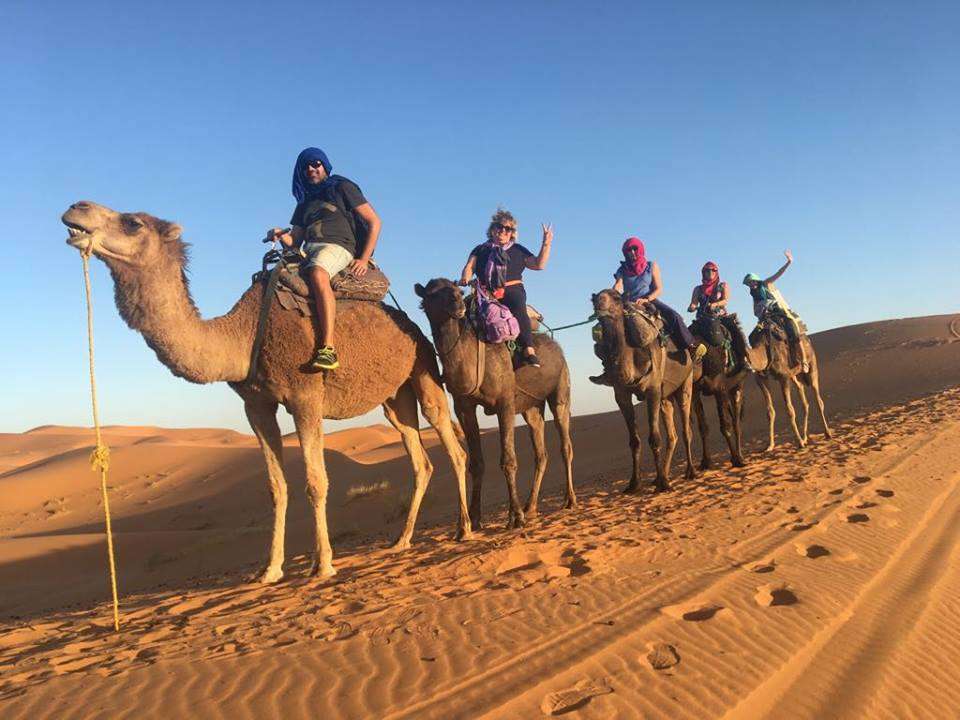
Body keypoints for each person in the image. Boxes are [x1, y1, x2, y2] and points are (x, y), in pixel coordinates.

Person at [268, 147, 381, 371]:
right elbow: (296, 240)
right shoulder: (304, 202)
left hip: (337, 246)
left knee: (318, 273)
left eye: (316, 164)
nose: (311, 169)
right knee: (271, 279)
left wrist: (363, 258)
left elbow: (374, 222)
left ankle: (328, 349)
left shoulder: (342, 187)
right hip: (308, 249)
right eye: (306, 167)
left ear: (325, 165)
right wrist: (280, 234)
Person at [590, 238, 705, 385]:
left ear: (640, 249)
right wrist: (611, 298)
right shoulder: (622, 270)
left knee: (673, 316)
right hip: (627, 303)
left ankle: (690, 347)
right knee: (607, 328)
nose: (632, 253)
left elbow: (659, 288)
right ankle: (608, 368)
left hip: (649, 300)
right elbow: (618, 285)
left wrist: (647, 299)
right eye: (628, 251)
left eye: (634, 249)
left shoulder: (651, 266)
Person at [458, 208, 552, 368]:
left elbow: (538, 264)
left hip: (512, 290)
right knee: (461, 313)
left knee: (518, 306)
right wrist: (465, 277)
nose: (503, 231)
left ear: (512, 233)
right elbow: (469, 266)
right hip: (485, 294)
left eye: (508, 229)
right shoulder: (480, 250)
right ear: (492, 229)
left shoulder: (518, 250)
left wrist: (546, 244)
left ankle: (529, 350)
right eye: (499, 227)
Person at [743, 250, 808, 371]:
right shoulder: (753, 294)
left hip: (778, 313)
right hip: (765, 318)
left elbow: (778, 274)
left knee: (793, 331)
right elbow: (755, 310)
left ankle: (804, 360)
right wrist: (760, 312)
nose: (750, 284)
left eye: (751, 282)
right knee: (753, 336)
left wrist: (788, 262)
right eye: (748, 283)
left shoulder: (765, 284)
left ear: (756, 280)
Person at [687, 261, 752, 371]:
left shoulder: (722, 286)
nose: (710, 272)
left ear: (716, 272)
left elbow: (725, 300)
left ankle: (744, 359)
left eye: (713, 270)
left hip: (719, 317)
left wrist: (714, 304)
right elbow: (693, 303)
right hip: (702, 318)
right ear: (703, 273)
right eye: (707, 270)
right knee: (687, 335)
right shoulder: (698, 289)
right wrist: (691, 307)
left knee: (736, 333)